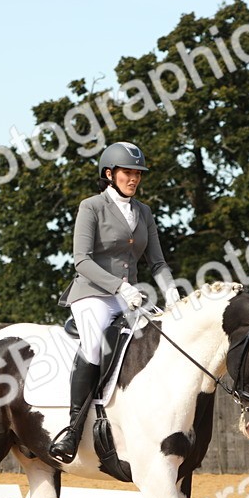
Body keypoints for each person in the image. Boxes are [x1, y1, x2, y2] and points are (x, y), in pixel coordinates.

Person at [48, 141, 181, 463]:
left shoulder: (144, 212)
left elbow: (157, 262)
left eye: (138, 173)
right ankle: (73, 429)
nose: (134, 179)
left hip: (131, 298)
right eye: (127, 172)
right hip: (93, 294)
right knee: (95, 345)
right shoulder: (91, 206)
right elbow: (81, 260)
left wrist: (172, 292)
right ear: (109, 174)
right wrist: (119, 287)